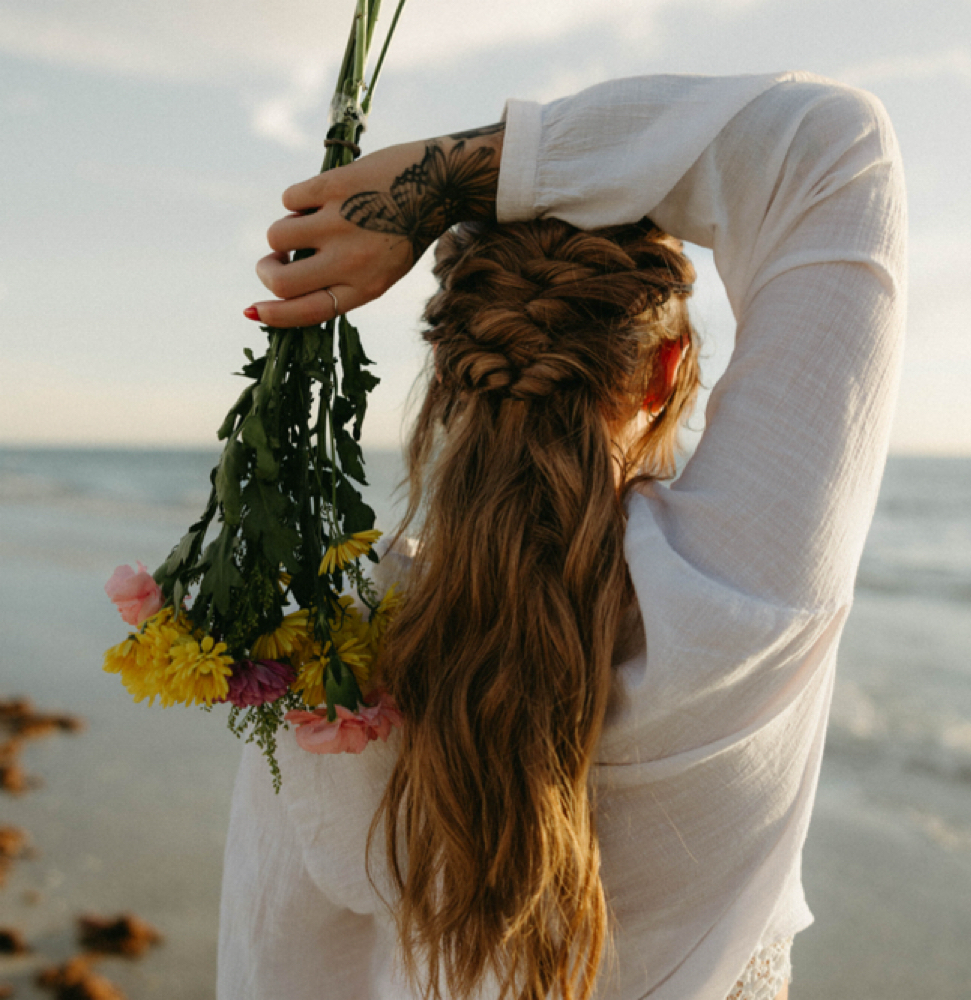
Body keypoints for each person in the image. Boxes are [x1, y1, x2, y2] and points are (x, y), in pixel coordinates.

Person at [219, 70, 906, 1000]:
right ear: (668, 369)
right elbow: (830, 146)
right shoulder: (738, 598)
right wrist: (444, 181)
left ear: (456, 366)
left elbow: (275, 956)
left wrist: (444, 180)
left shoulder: (339, 666)